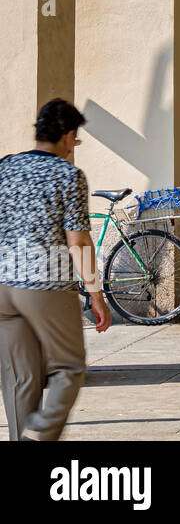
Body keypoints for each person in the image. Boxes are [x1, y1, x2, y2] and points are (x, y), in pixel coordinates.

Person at [0, 99, 111, 441]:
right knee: (69, 366)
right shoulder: (68, 175)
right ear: (67, 136)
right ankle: (39, 434)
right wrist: (96, 295)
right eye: (75, 140)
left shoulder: (5, 166)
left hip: (2, 286)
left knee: (21, 378)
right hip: (44, 284)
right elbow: (78, 242)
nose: (73, 147)